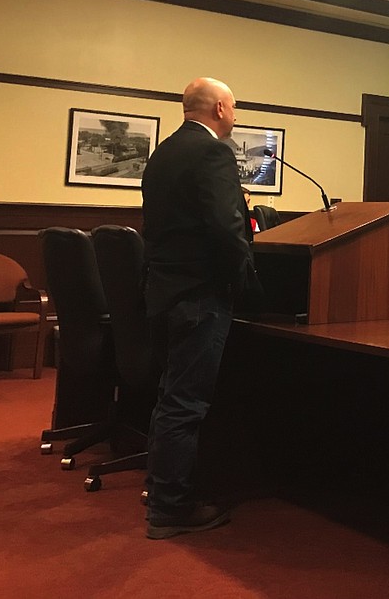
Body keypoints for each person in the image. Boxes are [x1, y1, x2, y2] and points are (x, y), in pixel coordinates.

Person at [141, 77, 258, 540]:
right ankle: (171, 507)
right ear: (221, 108)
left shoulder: (162, 153)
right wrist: (248, 284)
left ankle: (159, 488)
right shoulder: (214, 153)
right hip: (200, 294)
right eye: (234, 109)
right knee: (186, 402)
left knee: (171, 397)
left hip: (164, 290)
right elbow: (227, 229)